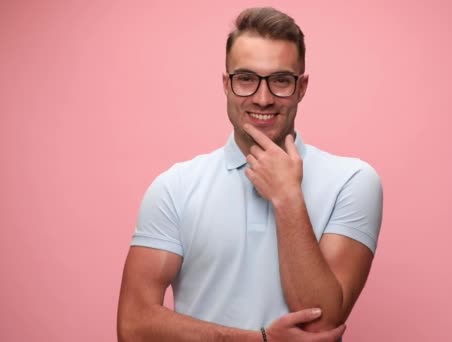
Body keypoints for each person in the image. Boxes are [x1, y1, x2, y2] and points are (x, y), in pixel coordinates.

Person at [117, 7, 383, 342]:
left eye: (281, 81)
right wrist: (259, 340)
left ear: (302, 87)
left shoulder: (353, 181)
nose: (263, 98)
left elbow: (321, 324)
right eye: (246, 79)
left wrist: (288, 198)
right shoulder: (175, 187)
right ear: (226, 84)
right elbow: (133, 325)